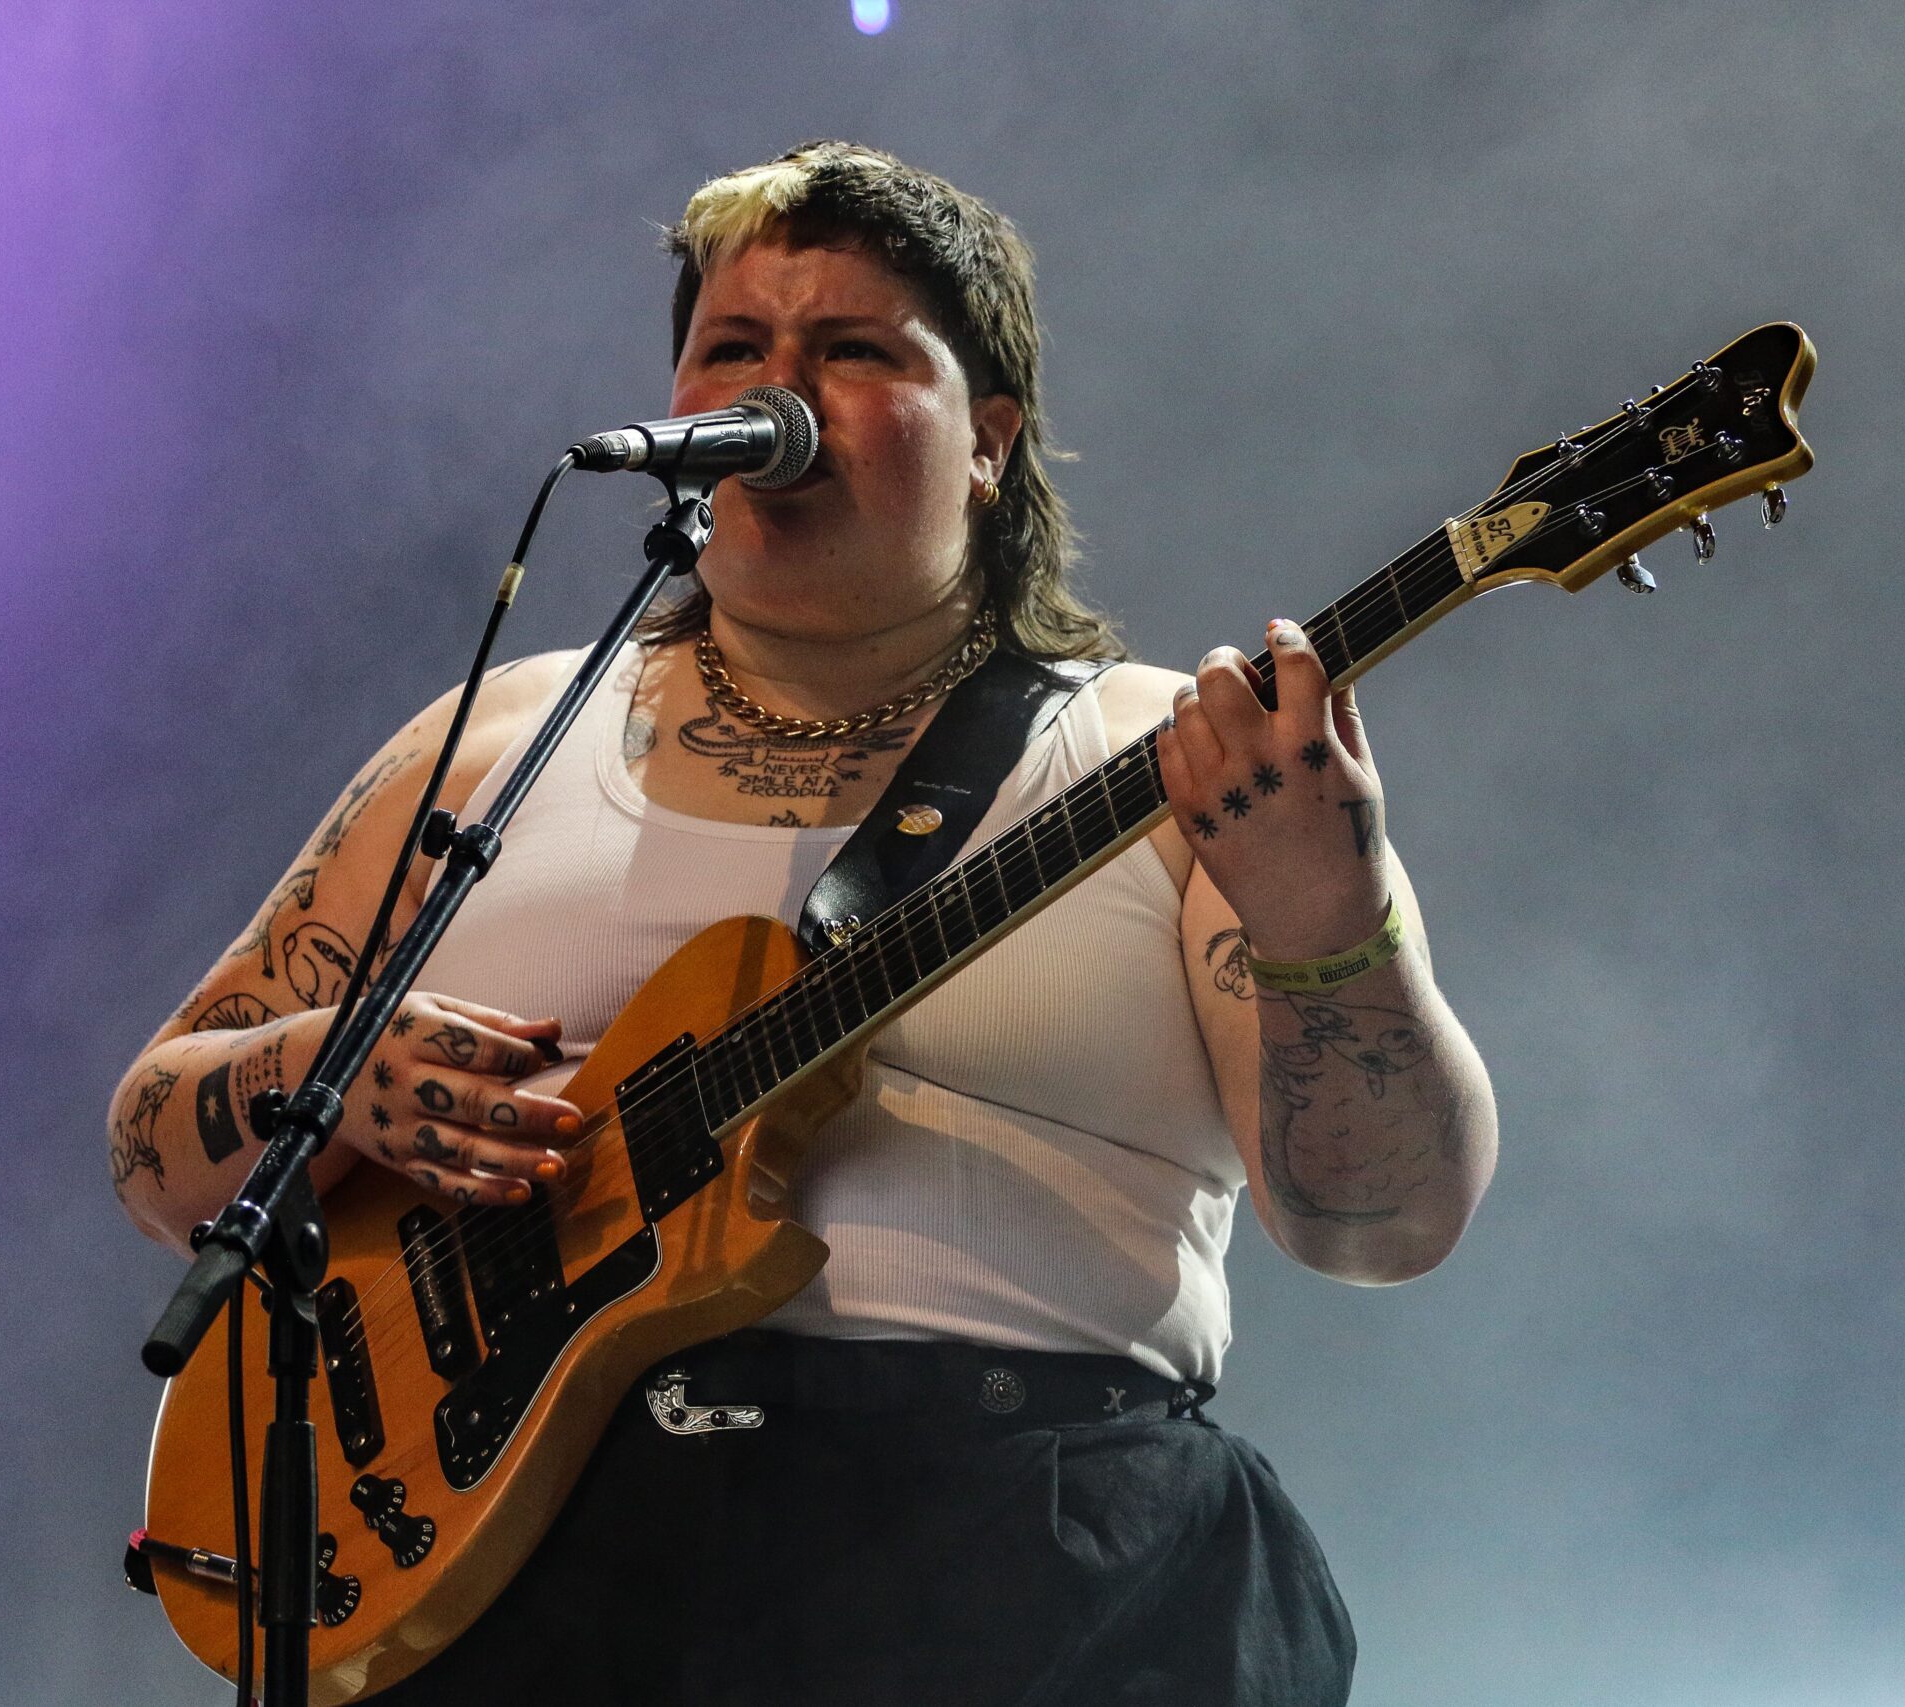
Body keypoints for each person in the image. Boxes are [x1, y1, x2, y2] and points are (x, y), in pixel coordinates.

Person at [108, 139, 1497, 1706]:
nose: (778, 390)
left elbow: (1382, 1225)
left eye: (852, 350)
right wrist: (332, 1075)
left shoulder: (1177, 761)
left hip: (1028, 1576)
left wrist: (1327, 921)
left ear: (991, 440)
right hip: (524, 1575)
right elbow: (155, 1142)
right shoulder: (499, 742)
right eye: (732, 347)